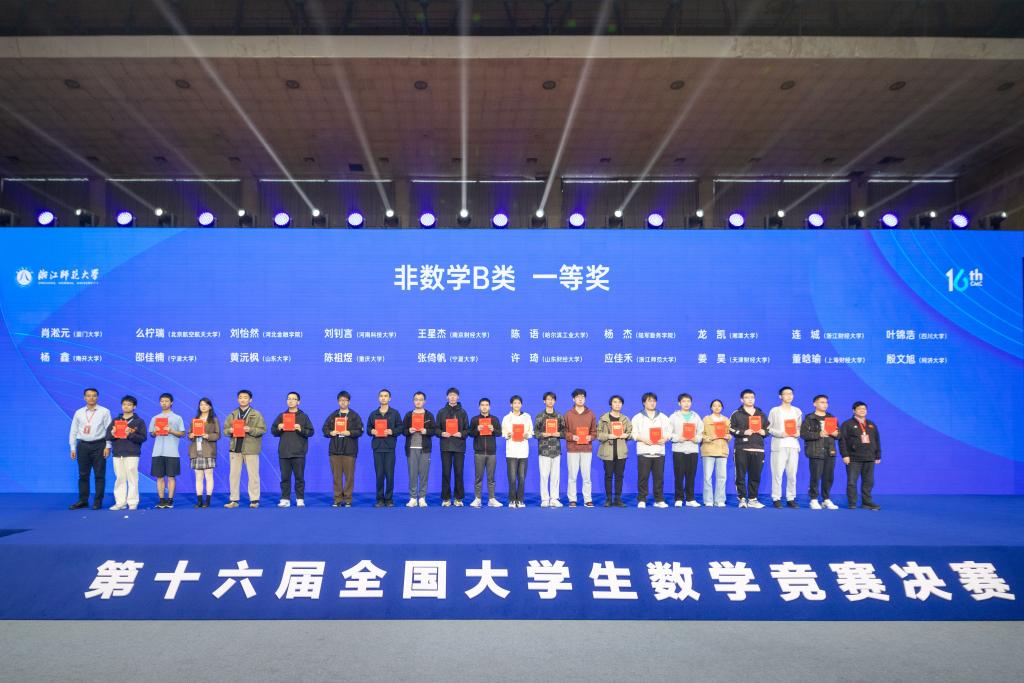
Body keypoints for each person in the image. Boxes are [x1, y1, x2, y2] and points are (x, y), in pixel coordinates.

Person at [69, 387, 112, 510]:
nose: (91, 398)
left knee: (99, 475)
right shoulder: (79, 412)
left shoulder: (104, 411)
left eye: (94, 395)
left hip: (99, 446)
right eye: (88, 395)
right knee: (83, 475)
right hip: (82, 446)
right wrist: (72, 447)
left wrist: (108, 446)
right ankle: (83, 500)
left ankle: (98, 501)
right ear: (84, 398)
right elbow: (73, 430)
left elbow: (109, 430)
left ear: (97, 397)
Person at [270, 391, 315, 508]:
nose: (291, 401)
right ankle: (285, 499)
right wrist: (279, 427)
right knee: (285, 478)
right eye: (289, 398)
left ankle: (300, 499)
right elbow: (273, 431)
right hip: (284, 452)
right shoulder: (281, 416)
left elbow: (311, 432)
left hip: (299, 452)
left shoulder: (303, 416)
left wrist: (301, 429)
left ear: (298, 402)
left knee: (299, 478)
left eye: (294, 399)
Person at [224, 389, 267, 509]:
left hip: (251, 449)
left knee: (253, 475)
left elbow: (262, 430)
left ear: (250, 400)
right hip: (235, 449)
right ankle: (234, 500)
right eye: (240, 397)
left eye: (245, 397)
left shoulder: (256, 414)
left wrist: (250, 429)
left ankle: (254, 500)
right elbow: (225, 430)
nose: (242, 399)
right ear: (237, 399)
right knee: (233, 476)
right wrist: (230, 430)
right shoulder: (233, 414)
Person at [322, 391, 363, 507]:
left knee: (349, 477)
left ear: (349, 402)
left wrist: (349, 432)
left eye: (345, 400)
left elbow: (360, 431)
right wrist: (331, 432)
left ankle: (348, 499)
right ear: (338, 402)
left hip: (349, 451)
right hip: (335, 451)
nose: (343, 402)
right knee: (336, 477)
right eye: (340, 400)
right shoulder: (333, 415)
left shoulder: (354, 416)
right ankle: (337, 499)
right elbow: (324, 429)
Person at [106, 395, 147, 511]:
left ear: (134, 407)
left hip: (132, 453)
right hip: (118, 453)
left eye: (129, 404)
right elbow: (107, 436)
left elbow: (143, 438)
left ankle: (133, 503)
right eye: (124, 404)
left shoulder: (139, 422)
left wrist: (130, 434)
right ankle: (120, 503)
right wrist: (113, 433)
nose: (126, 406)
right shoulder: (115, 421)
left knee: (132, 479)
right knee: (120, 478)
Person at [632, 392, 672, 508]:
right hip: (644, 451)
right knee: (643, 477)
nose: (652, 403)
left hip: (659, 451)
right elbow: (633, 433)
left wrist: (665, 438)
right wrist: (642, 439)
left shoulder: (663, 417)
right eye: (649, 401)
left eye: (654, 401)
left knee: (659, 478)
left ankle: (659, 500)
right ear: (644, 403)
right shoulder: (637, 417)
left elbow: (669, 432)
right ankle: (642, 499)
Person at [800, 394, 840, 510]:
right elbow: (803, 434)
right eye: (822, 402)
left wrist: (836, 434)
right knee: (815, 476)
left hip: (830, 451)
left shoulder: (831, 418)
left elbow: (839, 434)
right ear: (815, 404)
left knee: (828, 477)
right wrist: (819, 434)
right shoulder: (809, 418)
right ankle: (813, 499)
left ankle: (826, 499)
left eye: (826, 402)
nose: (825, 404)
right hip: (815, 451)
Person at [730, 389, 768, 509]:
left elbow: (768, 428)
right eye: (747, 397)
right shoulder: (736, 413)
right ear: (742, 399)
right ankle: (742, 499)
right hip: (742, 448)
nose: (750, 399)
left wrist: (764, 432)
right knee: (740, 475)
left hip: (758, 449)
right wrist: (743, 432)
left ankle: (752, 499)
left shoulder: (761, 414)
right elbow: (730, 428)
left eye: (752, 397)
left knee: (755, 476)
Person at [840, 401, 882, 510]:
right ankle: (852, 503)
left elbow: (877, 440)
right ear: (854, 411)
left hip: (869, 457)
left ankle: (866, 502)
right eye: (859, 409)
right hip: (853, 458)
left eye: (864, 409)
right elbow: (842, 440)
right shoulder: (847, 424)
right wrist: (845, 455)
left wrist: (878, 455)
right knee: (852, 482)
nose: (862, 411)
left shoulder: (871, 424)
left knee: (868, 481)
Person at [768, 386, 803, 509]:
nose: (789, 396)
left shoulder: (797, 411)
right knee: (777, 473)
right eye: (786, 394)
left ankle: (790, 498)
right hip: (779, 446)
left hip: (793, 445)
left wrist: (798, 433)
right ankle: (776, 498)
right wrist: (780, 434)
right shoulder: (775, 411)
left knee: (792, 474)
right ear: (780, 396)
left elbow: (799, 427)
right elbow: (769, 428)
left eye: (791, 393)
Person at [149, 392, 185, 509]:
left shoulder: (177, 418)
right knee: (159, 477)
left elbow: (182, 433)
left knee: (171, 477)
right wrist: (155, 432)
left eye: (166, 401)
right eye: (162, 401)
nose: (164, 403)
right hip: (157, 451)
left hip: (172, 452)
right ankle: (161, 500)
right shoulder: (155, 418)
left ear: (171, 402)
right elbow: (152, 434)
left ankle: (170, 500)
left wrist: (171, 431)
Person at [368, 388, 403, 508]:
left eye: (386, 396)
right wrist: (372, 431)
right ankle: (379, 499)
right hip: (377, 448)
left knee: (389, 474)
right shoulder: (373, 414)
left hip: (389, 447)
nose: (383, 398)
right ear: (378, 398)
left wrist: (391, 431)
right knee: (379, 475)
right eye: (381, 396)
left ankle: (389, 499)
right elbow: (368, 428)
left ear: (390, 398)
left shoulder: (395, 413)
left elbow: (400, 428)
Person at [564, 388, 597, 508]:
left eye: (583, 397)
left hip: (586, 449)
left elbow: (594, 431)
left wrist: (590, 437)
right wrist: (572, 437)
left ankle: (588, 499)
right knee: (572, 476)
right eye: (578, 397)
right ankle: (572, 499)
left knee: (586, 476)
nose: (580, 399)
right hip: (572, 449)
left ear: (585, 399)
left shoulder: (591, 413)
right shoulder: (568, 414)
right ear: (573, 399)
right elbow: (564, 431)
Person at [436, 387, 470, 507]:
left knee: (459, 472)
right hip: (445, 446)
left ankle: (458, 498)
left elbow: (468, 429)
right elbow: (436, 428)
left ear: (458, 397)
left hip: (459, 446)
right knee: (446, 472)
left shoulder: (463, 412)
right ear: (447, 397)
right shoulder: (441, 412)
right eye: (450, 395)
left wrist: (461, 433)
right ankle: (446, 498)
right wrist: (441, 433)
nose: (452, 397)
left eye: (454, 395)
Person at [596, 395, 631, 507]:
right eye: (615, 402)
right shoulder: (603, 418)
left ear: (622, 405)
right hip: (607, 452)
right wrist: (609, 436)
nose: (617, 404)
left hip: (621, 452)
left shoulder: (625, 419)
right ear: (611, 404)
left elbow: (631, 433)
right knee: (608, 476)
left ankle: (618, 499)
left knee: (619, 476)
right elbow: (598, 435)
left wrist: (627, 435)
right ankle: (608, 499)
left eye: (620, 402)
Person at [669, 393, 703, 508]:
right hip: (678, 450)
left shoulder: (696, 417)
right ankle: (679, 498)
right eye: (684, 401)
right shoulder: (673, 417)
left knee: (691, 476)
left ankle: (690, 499)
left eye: (688, 401)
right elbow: (668, 433)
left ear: (691, 403)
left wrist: (696, 438)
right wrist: (679, 438)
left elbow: (701, 433)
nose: (686, 403)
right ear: (679, 403)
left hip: (692, 450)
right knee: (678, 475)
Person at [403, 391, 436, 507]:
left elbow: (434, 430)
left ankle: (422, 497)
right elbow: (403, 430)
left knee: (424, 474)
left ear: (424, 401)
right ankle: (412, 498)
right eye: (416, 399)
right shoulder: (408, 415)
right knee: (412, 474)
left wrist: (426, 431)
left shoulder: (429, 415)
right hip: (411, 448)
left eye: (421, 399)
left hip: (424, 449)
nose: (418, 401)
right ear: (413, 401)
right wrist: (409, 430)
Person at [468, 398, 502, 508]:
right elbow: (470, 434)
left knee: (491, 478)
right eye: (482, 405)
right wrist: (477, 429)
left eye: (486, 405)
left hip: (492, 453)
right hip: (479, 453)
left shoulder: (494, 419)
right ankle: (477, 499)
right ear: (479, 407)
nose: (484, 407)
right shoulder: (474, 419)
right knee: (478, 477)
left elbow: (499, 433)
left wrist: (493, 429)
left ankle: (491, 499)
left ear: (489, 407)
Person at [534, 391, 566, 508]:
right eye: (548, 399)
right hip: (544, 450)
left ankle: (554, 498)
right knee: (544, 475)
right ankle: (544, 499)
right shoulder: (539, 416)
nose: (550, 401)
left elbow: (565, 432)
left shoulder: (559, 416)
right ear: (544, 401)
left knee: (555, 476)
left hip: (556, 450)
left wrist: (558, 434)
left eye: (552, 399)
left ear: (555, 401)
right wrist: (544, 434)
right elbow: (535, 433)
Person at [187, 397, 219, 508]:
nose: (203, 406)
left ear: (210, 407)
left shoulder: (214, 420)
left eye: (205, 404)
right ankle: (199, 500)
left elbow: (217, 435)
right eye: (201, 404)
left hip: (208, 450)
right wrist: (191, 435)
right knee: (198, 476)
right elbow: (189, 434)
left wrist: (208, 435)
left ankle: (208, 500)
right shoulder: (195, 420)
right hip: (196, 450)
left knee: (209, 475)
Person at [501, 395, 533, 508]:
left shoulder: (527, 417)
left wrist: (527, 435)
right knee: (512, 478)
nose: (517, 405)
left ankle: (520, 500)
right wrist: (508, 434)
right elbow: (503, 433)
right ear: (511, 405)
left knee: (522, 477)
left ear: (521, 405)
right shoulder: (506, 418)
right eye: (515, 403)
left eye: (519, 403)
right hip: (511, 451)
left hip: (523, 451)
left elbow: (531, 432)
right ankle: (512, 500)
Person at [700, 399, 731, 508]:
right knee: (707, 477)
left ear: (722, 408)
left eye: (719, 406)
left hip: (722, 450)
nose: (717, 407)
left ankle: (720, 500)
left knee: (722, 477)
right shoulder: (705, 419)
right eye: (714, 405)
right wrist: (708, 437)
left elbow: (729, 434)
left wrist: (728, 436)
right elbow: (700, 434)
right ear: (711, 407)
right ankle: (708, 500)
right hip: (708, 450)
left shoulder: (726, 420)